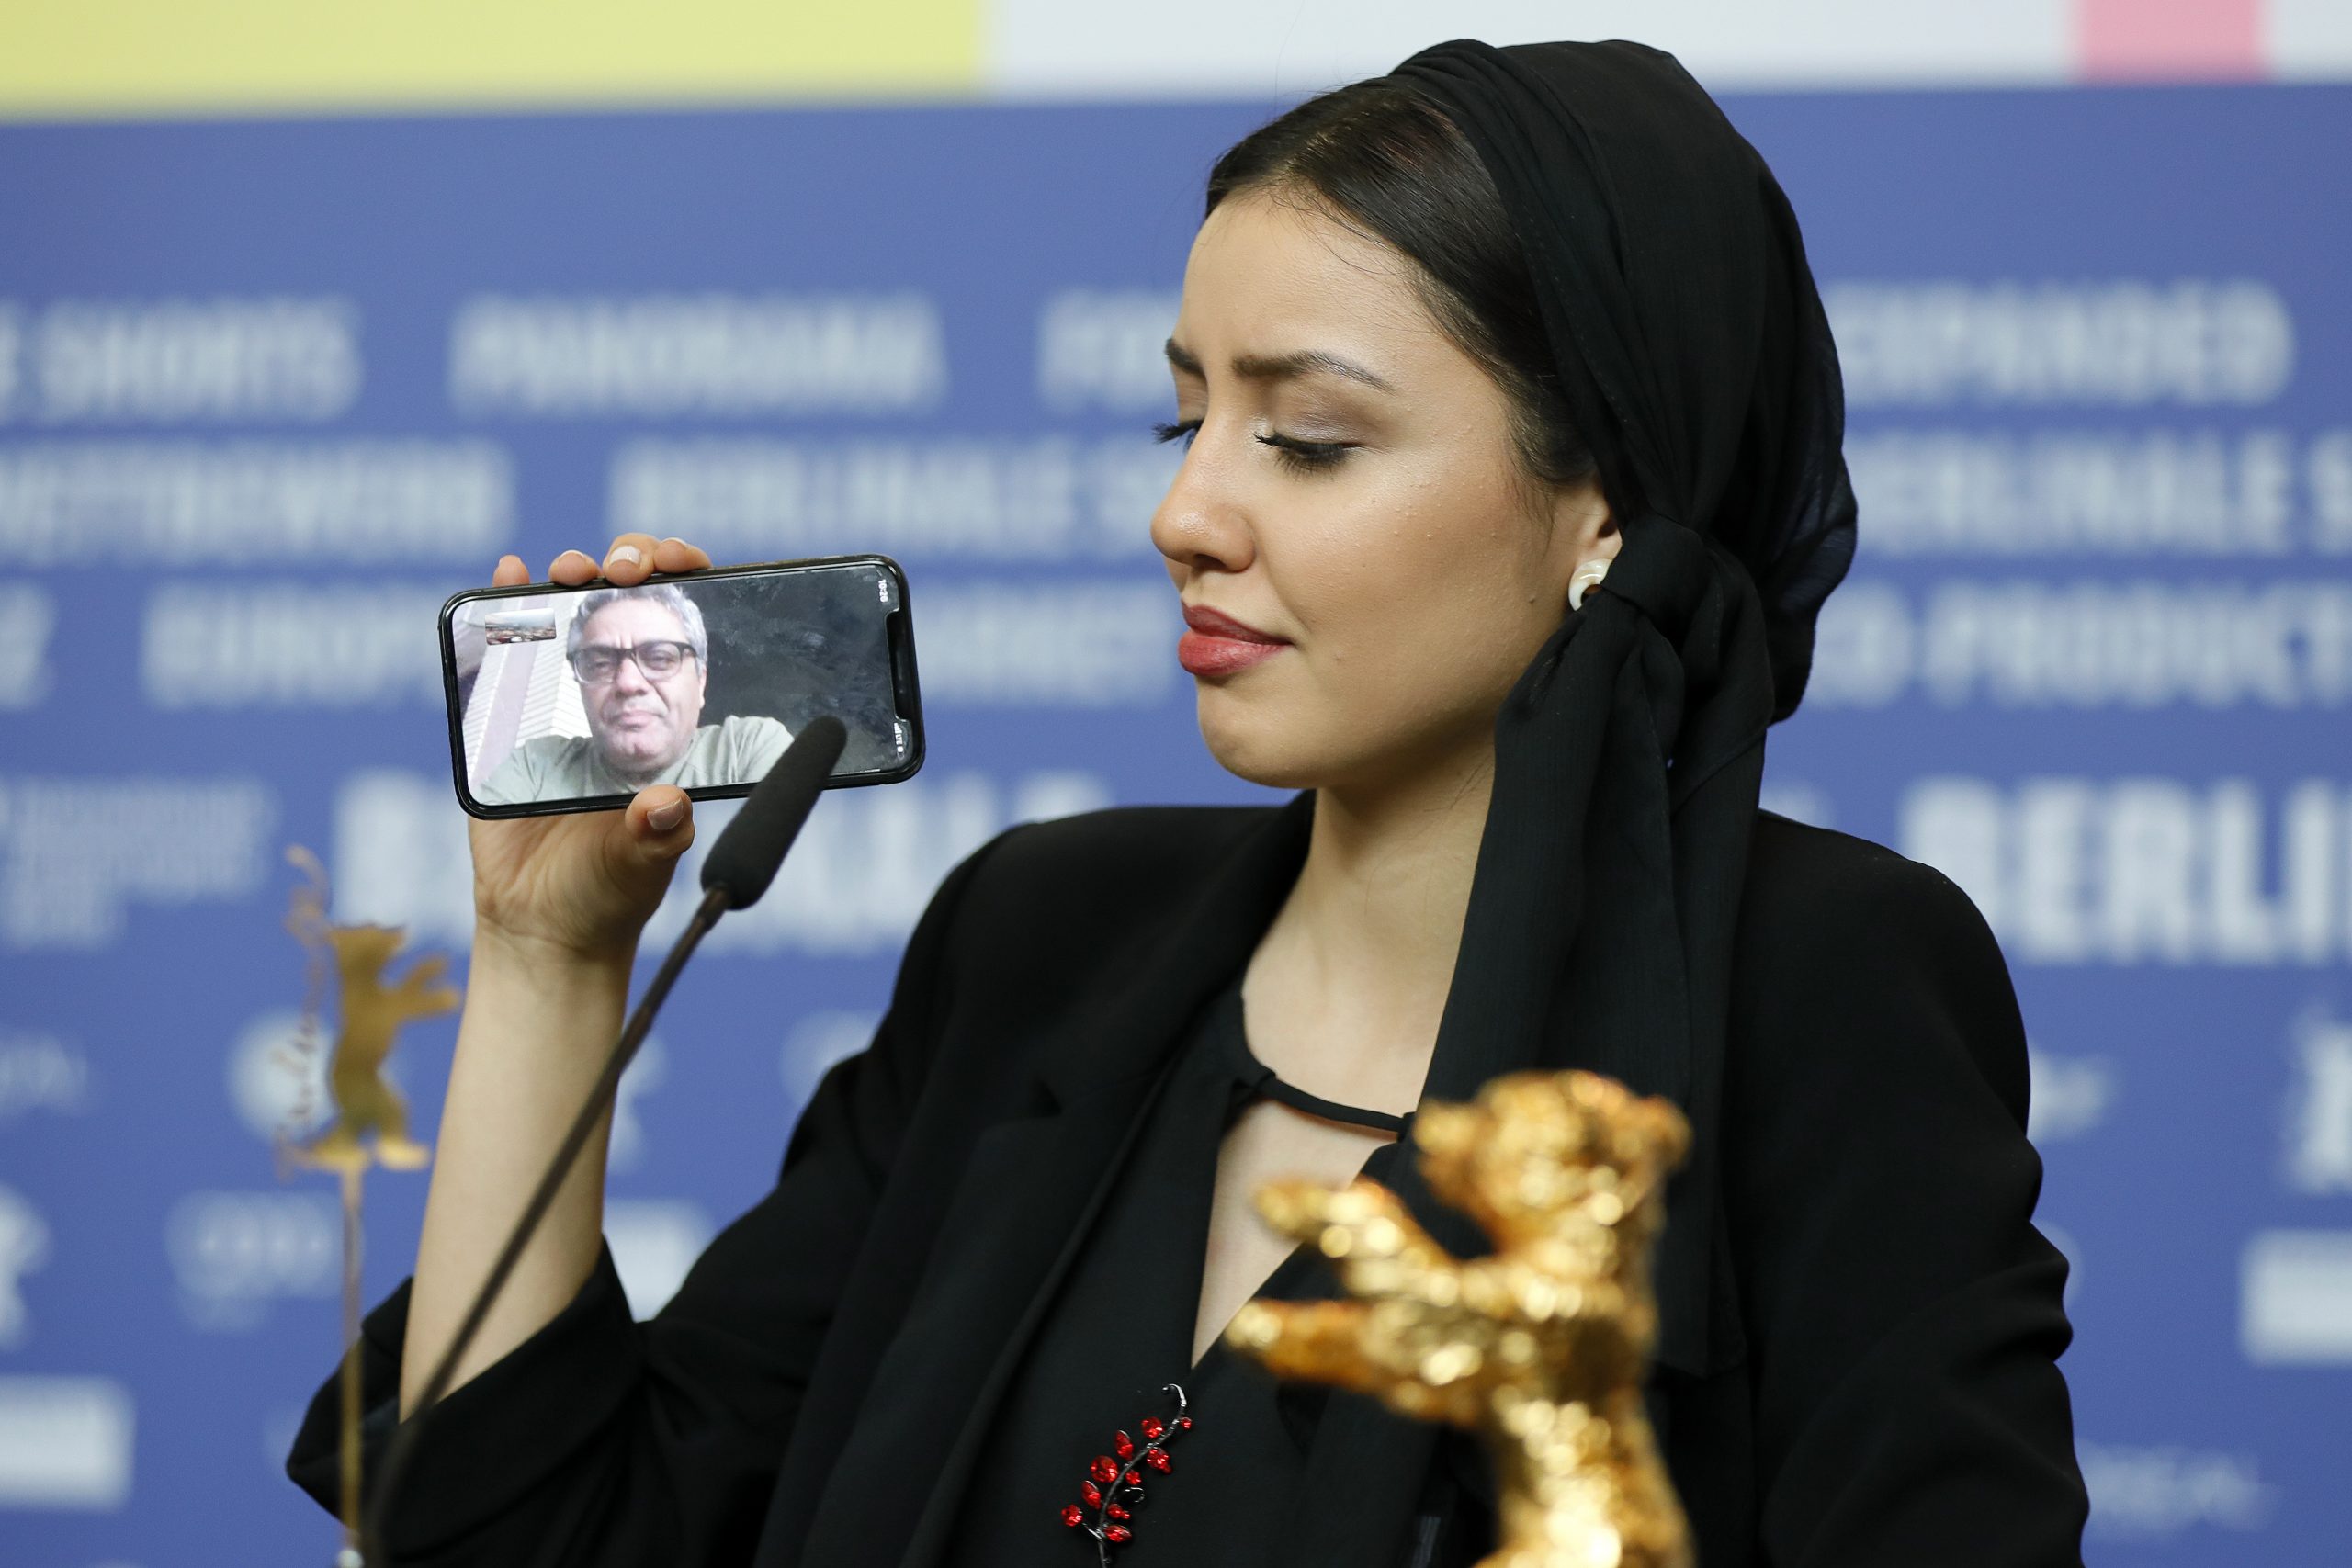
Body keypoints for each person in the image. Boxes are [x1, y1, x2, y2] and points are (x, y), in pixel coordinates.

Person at [288, 39, 2089, 1568]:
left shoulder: (1821, 986)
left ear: (1600, 511)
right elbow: (514, 1529)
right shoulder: (1043, 939)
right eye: (1184, 424)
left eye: (1304, 438)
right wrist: (545, 961)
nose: (1190, 514)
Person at [471, 580, 791, 806]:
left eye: (660, 658)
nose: (628, 683)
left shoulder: (746, 749)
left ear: (701, 680)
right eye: (599, 663)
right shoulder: (536, 765)